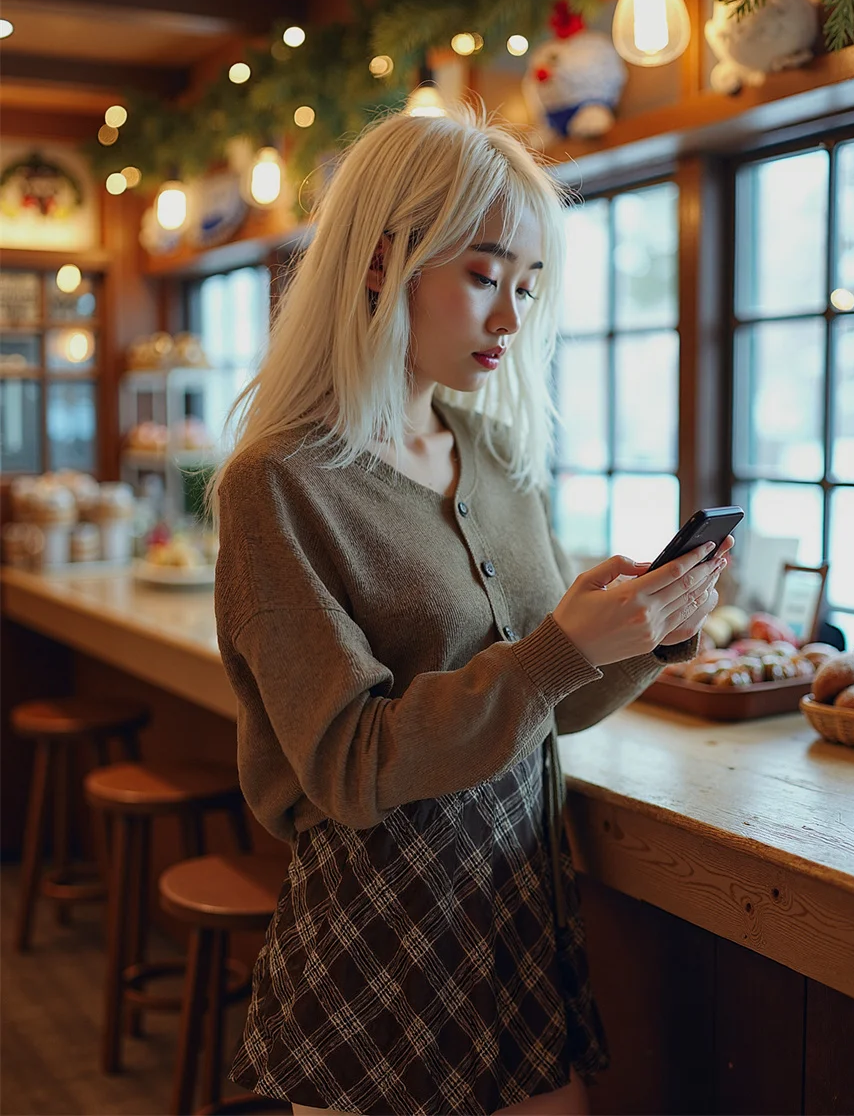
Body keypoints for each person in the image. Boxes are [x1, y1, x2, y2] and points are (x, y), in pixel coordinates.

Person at [210, 100, 730, 1116]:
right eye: (485, 274)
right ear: (378, 260)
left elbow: (555, 704)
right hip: (382, 918)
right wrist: (554, 654)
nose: (510, 316)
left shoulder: (490, 454)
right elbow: (348, 763)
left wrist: (640, 633)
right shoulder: (279, 483)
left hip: (517, 900)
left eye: (527, 285)